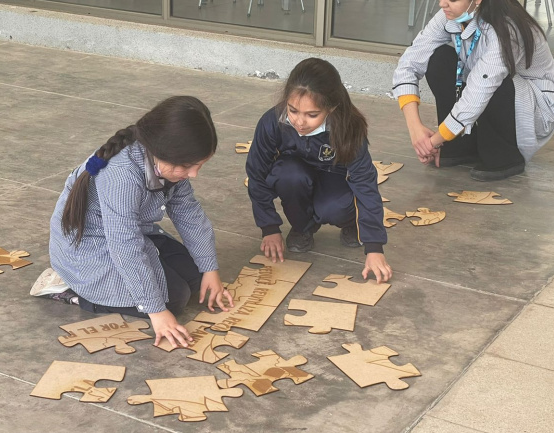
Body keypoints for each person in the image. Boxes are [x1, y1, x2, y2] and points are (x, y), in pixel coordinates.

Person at [32, 96, 234, 348]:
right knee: (175, 299)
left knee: (195, 276)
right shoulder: (121, 176)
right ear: (161, 152)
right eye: (187, 166)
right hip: (89, 250)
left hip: (130, 233)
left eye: (198, 165)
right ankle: (68, 288)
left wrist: (210, 269)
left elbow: (189, 214)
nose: (193, 174)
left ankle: (170, 282)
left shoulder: (166, 162)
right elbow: (125, 247)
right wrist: (157, 312)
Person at [246, 58, 392, 284]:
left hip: (334, 179)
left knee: (333, 207)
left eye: (311, 115)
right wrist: (269, 227)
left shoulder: (348, 127)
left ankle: (351, 223)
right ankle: (302, 227)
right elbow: (256, 174)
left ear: (331, 108)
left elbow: (365, 183)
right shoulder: (271, 122)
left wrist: (374, 247)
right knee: (287, 174)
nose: (299, 122)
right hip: (297, 177)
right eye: (293, 110)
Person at [392, 0, 554, 181]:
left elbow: (480, 89)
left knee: (491, 80)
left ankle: (504, 154)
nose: (443, 4)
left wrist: (432, 143)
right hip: (487, 89)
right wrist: (415, 129)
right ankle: (461, 145)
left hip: (534, 106)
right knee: (437, 59)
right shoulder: (449, 15)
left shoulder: (507, 28)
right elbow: (409, 63)